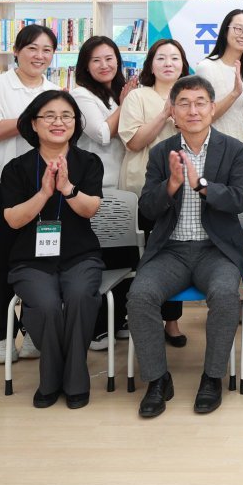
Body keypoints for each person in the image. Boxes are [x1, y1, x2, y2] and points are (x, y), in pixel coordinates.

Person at [130, 75, 243, 418]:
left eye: (200, 103)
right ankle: (157, 380)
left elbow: (241, 199)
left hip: (216, 252)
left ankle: (212, 378)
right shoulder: (160, 152)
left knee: (226, 295)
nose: (193, 110)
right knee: (140, 295)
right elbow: (147, 209)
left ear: (213, 108)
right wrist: (170, 185)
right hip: (170, 250)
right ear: (172, 112)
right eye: (184, 103)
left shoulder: (234, 149)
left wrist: (201, 186)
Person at [2, 90, 104, 409]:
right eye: (49, 116)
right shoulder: (16, 168)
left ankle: (74, 382)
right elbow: (13, 220)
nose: (58, 122)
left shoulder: (88, 162)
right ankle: (51, 379)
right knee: (45, 305)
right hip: (31, 260)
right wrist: (45, 193)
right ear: (34, 123)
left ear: (76, 123)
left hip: (80, 256)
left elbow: (90, 210)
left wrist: (67, 189)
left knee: (78, 297)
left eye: (66, 116)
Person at [0, 24, 59, 365]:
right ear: (16, 51)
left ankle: (34, 333)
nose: (39, 56)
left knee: (42, 263)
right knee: (3, 266)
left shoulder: (55, 90)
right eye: (32, 49)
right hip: (1, 190)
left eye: (46, 50)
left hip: (45, 188)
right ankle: (2, 336)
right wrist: (33, 117)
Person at [119, 38, 191, 346]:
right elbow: (134, 142)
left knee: (173, 254)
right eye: (161, 58)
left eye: (175, 58)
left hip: (179, 186)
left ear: (183, 64)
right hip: (141, 188)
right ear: (151, 64)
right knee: (144, 257)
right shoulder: (137, 97)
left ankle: (171, 322)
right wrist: (164, 115)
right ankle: (141, 321)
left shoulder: (190, 96)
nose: (168, 63)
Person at [71, 36, 138, 351]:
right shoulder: (80, 94)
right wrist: (127, 103)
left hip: (123, 185)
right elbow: (100, 134)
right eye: (96, 60)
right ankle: (98, 327)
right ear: (85, 65)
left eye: (110, 58)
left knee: (126, 256)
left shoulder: (119, 92)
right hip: (96, 188)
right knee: (100, 258)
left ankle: (118, 319)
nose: (104, 65)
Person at [195, 9, 243, 232]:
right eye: (239, 29)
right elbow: (205, 116)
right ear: (226, 31)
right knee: (220, 212)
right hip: (217, 149)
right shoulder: (207, 67)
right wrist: (235, 92)